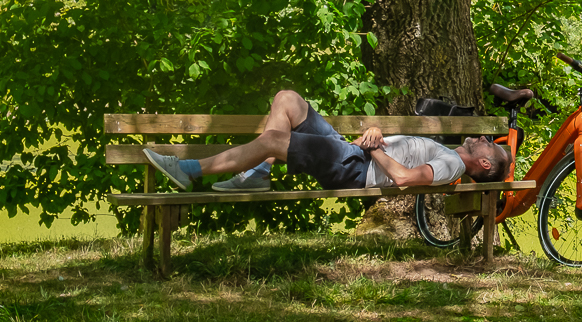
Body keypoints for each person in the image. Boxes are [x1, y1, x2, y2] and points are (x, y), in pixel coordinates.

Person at [141, 90, 509, 193]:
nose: (481, 137)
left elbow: (404, 179)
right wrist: (377, 135)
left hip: (353, 168)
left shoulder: (452, 165)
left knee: (273, 139)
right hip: (352, 153)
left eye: (487, 144)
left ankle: (189, 171)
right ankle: (257, 173)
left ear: (485, 164)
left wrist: (375, 148)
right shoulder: (449, 151)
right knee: (288, 99)